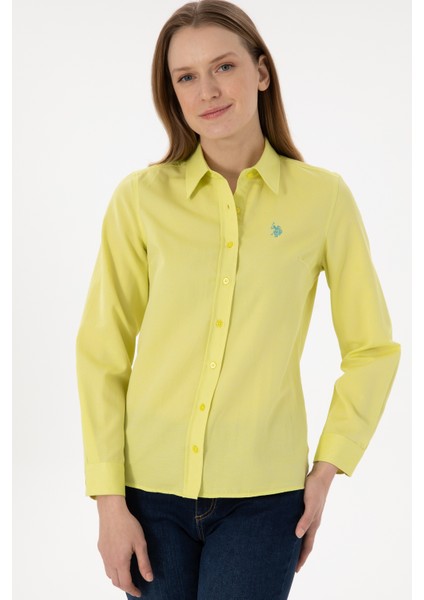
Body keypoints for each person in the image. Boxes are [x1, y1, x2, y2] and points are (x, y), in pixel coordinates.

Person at [75, 1, 401, 598]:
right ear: (172, 93)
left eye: (224, 66)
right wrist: (108, 501)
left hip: (265, 500)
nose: (208, 91)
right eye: (186, 77)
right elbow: (103, 351)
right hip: (148, 495)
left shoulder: (323, 199)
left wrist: (326, 470)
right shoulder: (140, 200)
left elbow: (372, 349)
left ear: (261, 72)